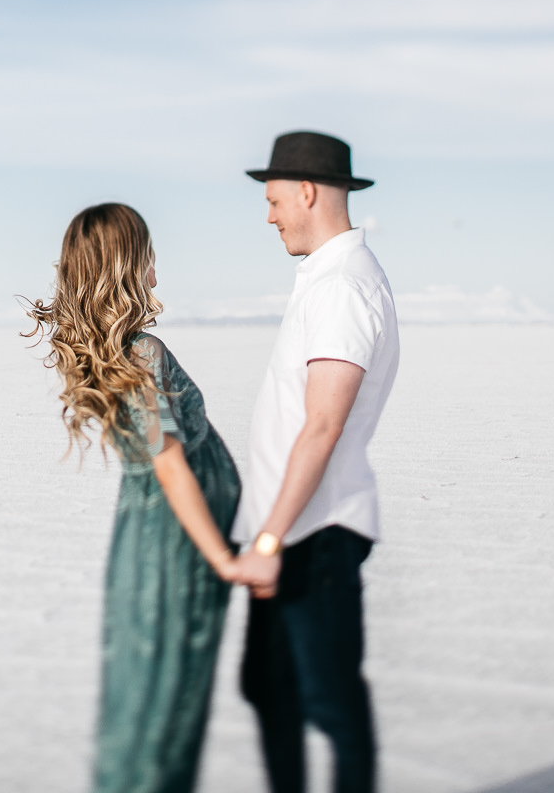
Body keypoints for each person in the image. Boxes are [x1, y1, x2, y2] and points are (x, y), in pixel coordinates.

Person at [25, 203, 243, 793]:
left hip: (152, 542)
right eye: (148, 252)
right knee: (161, 708)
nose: (156, 267)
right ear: (128, 264)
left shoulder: (121, 349)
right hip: (172, 552)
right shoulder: (141, 353)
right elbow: (169, 464)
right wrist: (222, 558)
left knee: (150, 702)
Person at [231, 132, 399, 793]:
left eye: (274, 201)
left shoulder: (343, 288)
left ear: (306, 191)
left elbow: (322, 424)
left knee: (330, 702)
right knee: (270, 690)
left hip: (313, 533)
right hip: (293, 530)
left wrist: (271, 538)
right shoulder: (327, 280)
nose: (269, 215)